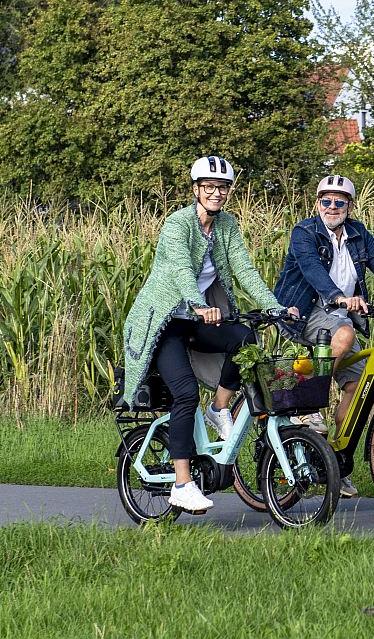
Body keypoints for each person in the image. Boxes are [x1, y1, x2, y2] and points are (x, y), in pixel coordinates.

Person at [121, 156, 289, 513]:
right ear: (196, 189)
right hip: (163, 324)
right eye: (209, 187)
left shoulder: (226, 225)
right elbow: (182, 267)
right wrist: (198, 305)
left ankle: (219, 408)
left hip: (195, 322)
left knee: (245, 340)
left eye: (223, 187)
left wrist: (274, 306)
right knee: (184, 395)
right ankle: (182, 484)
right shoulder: (176, 224)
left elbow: (244, 268)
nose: (217, 193)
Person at [273, 174, 374, 498]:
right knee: (345, 334)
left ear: (350, 205)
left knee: (357, 388)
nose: (332, 207)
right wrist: (337, 296)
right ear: (317, 203)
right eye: (326, 201)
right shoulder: (305, 232)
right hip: (304, 312)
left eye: (339, 201)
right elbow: (311, 270)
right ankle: (307, 405)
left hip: (338, 316)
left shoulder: (358, 235)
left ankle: (334, 461)